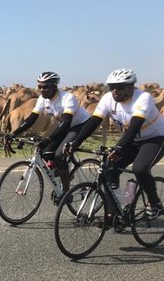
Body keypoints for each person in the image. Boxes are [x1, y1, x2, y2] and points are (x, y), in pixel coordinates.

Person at [65, 69, 164, 219]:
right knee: (108, 169)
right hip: (132, 140)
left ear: (130, 87)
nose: (115, 91)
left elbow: (134, 127)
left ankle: (154, 202)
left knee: (140, 168)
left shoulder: (143, 98)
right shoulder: (108, 98)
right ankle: (113, 213)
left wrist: (118, 148)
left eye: (120, 87)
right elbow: (93, 122)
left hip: (155, 138)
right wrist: (75, 142)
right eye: (112, 87)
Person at [3, 72, 91, 192]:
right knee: (45, 152)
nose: (42, 90)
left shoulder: (67, 98)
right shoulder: (43, 99)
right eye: (40, 87)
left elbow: (66, 124)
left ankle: (66, 192)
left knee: (59, 155)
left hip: (80, 125)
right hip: (64, 125)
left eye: (46, 87)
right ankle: (63, 171)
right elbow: (31, 119)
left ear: (54, 86)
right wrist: (13, 134)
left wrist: (48, 139)